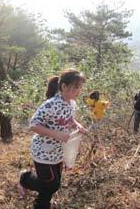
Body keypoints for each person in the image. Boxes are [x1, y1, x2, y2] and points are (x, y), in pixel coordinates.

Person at [18, 68, 88, 209]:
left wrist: (78, 126)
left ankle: (42, 204)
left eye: (80, 87)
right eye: (75, 87)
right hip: (43, 152)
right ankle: (25, 178)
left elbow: (70, 119)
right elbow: (33, 125)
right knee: (51, 184)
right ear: (64, 86)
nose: (78, 91)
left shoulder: (72, 103)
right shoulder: (50, 104)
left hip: (57, 151)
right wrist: (58, 135)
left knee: (53, 183)